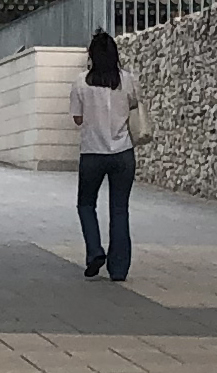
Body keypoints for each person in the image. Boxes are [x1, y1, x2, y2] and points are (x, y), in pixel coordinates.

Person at [70, 29, 140, 281]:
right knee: (119, 209)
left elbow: (77, 119)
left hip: (92, 153)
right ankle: (119, 269)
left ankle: (95, 251)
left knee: (86, 204)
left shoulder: (81, 82)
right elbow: (134, 107)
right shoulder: (127, 80)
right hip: (123, 152)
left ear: (91, 55)